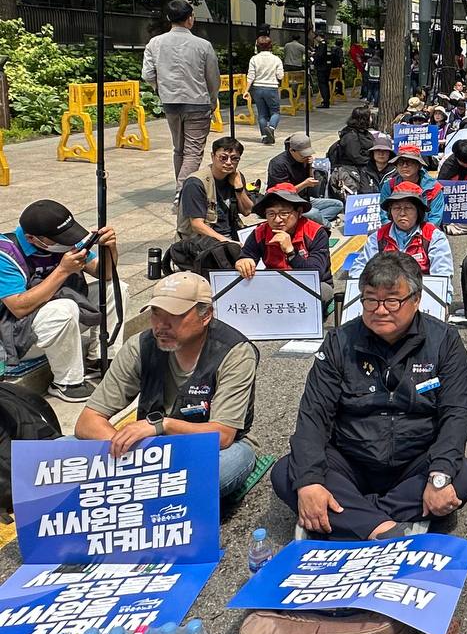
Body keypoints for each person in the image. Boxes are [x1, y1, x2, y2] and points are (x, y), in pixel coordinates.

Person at [272, 253, 467, 540]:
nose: (380, 310)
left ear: (416, 299)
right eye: (370, 300)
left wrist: (439, 475)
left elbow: (457, 414)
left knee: (460, 476)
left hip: (414, 462)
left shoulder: (444, 341)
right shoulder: (339, 341)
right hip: (351, 460)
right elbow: (313, 415)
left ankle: (352, 517)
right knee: (287, 473)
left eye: (392, 300)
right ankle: (384, 528)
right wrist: (310, 483)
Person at [74, 272, 259, 498]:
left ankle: (143, 490)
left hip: (206, 449)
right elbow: (87, 422)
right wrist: (123, 448)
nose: (161, 325)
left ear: (206, 315)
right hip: (149, 449)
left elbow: (222, 436)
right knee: (60, 449)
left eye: (174, 315)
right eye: (155, 313)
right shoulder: (139, 346)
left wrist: (163, 425)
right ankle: (153, 488)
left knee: (229, 463)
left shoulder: (235, 352)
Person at [0, 201, 126, 403]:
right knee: (64, 309)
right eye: (58, 239)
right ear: (32, 238)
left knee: (116, 288)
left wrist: (109, 249)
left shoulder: (65, 241)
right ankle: (66, 383)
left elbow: (106, 275)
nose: (66, 242)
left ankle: (101, 357)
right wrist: (63, 270)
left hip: (60, 319)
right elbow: (18, 307)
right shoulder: (5, 253)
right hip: (19, 336)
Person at [142, 0, 220, 189]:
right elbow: (213, 77)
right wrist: (212, 99)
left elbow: (147, 74)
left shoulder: (155, 43)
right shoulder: (203, 45)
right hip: (198, 102)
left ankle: (183, 189)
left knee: (179, 149)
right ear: (190, 19)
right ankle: (182, 191)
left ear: (169, 18)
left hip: (170, 103)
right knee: (193, 151)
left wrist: (161, 89)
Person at [235, 183, 334, 303]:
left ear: (299, 212)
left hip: (312, 285)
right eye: (271, 214)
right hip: (275, 284)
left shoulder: (316, 232)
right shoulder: (260, 232)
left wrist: (291, 252)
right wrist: (244, 261)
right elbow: (247, 255)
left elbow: (315, 273)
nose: (277, 220)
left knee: (323, 291)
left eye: (284, 213)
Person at [351, 183, 454, 283]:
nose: (402, 213)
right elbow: (359, 270)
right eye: (396, 208)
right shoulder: (377, 238)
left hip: (422, 295)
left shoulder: (434, 236)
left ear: (418, 211)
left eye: (408, 208)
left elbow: (442, 276)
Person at [175, 136, 254, 256]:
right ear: (213, 156)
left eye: (234, 159)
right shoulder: (195, 183)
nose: (228, 162)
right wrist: (228, 242)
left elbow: (247, 211)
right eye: (223, 158)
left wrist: (239, 188)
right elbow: (197, 225)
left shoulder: (235, 177)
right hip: (202, 242)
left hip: (231, 234)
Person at [267, 133, 344, 227]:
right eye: (303, 155)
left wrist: (310, 167)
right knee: (313, 213)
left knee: (338, 204)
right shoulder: (278, 164)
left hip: (304, 199)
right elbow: (282, 194)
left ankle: (309, 222)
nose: (305, 157)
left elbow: (311, 180)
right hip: (287, 204)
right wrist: (304, 184)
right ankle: (326, 225)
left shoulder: (303, 161)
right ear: (292, 150)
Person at [380, 146, 445, 227]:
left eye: (409, 162)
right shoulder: (388, 186)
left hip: (426, 231)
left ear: (419, 165)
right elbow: (384, 216)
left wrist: (419, 234)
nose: (404, 166)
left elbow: (435, 218)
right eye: (400, 163)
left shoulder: (434, 188)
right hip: (395, 231)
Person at [243, 35, 284, 145]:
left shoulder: (254, 59)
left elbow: (250, 76)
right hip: (271, 88)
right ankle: (271, 128)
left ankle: (265, 137)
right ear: (270, 46)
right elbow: (280, 76)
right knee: (275, 111)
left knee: (262, 114)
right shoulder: (276, 59)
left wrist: (246, 90)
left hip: (257, 88)